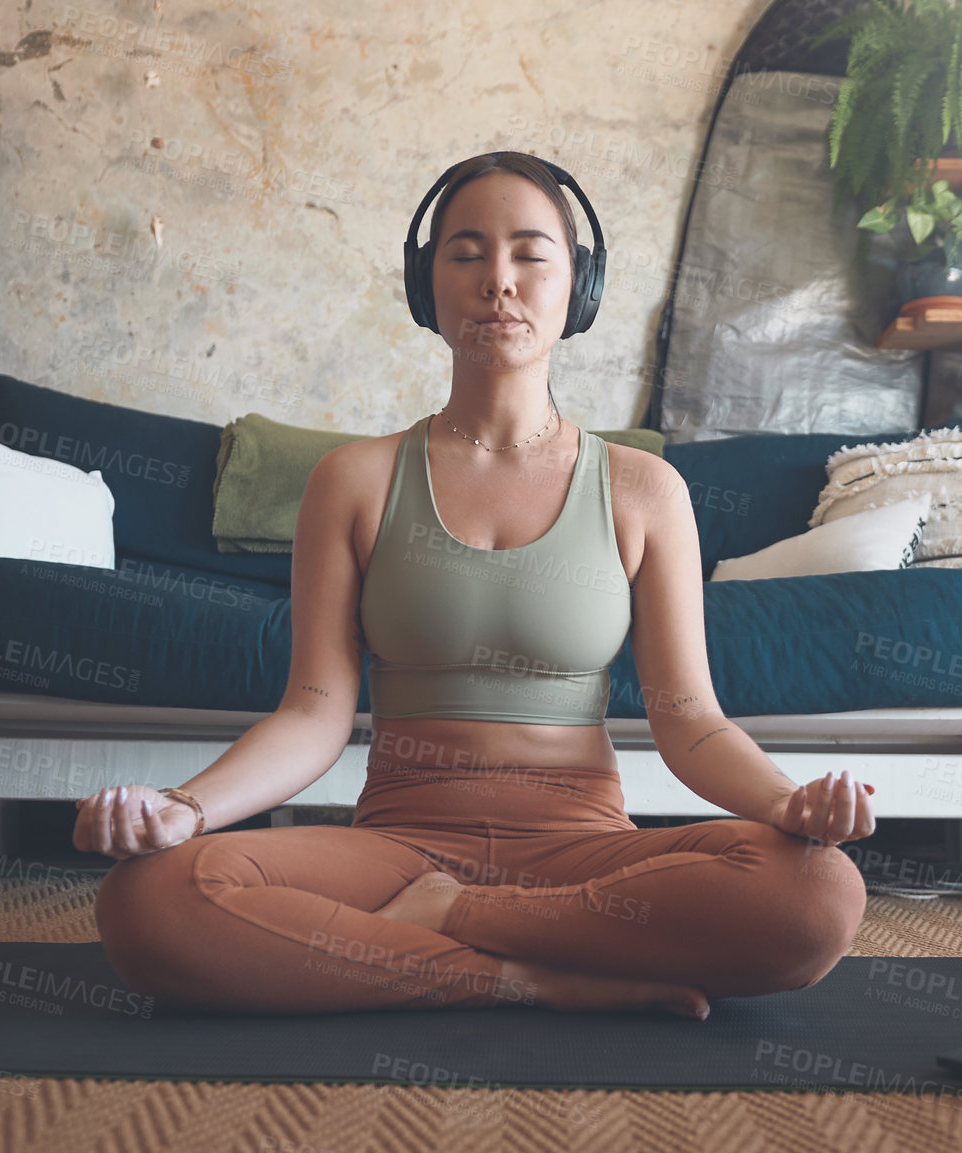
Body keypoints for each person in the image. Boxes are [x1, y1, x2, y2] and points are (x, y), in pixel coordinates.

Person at [80, 152, 874, 1021]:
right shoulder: (354, 479)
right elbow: (311, 714)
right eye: (466, 253)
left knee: (814, 894)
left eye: (531, 254)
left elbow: (692, 721)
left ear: (580, 285)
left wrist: (785, 802)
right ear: (428, 287)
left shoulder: (645, 489)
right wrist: (185, 808)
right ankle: (525, 977)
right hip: (396, 846)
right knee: (149, 897)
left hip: (582, 851)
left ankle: (451, 923)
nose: (499, 280)